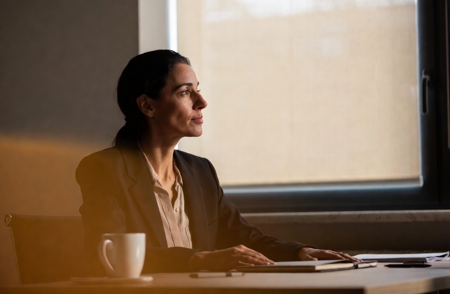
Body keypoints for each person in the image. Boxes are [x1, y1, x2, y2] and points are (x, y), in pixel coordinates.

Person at [76, 49, 357, 275]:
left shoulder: (200, 171)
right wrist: (201, 259)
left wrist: (299, 252)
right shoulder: (104, 169)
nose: (202, 102)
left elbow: (242, 236)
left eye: (198, 89)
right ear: (148, 105)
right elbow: (111, 254)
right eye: (185, 92)